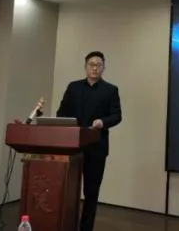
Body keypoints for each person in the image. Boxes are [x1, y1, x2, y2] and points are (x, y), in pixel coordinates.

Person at [56, 51, 122, 231]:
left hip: (96, 148)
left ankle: (86, 228)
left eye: (98, 65)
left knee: (91, 192)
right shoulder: (73, 87)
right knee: (69, 189)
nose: (94, 68)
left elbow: (117, 116)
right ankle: (66, 225)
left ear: (103, 68)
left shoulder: (110, 90)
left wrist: (103, 122)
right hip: (72, 147)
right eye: (91, 64)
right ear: (85, 67)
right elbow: (61, 113)